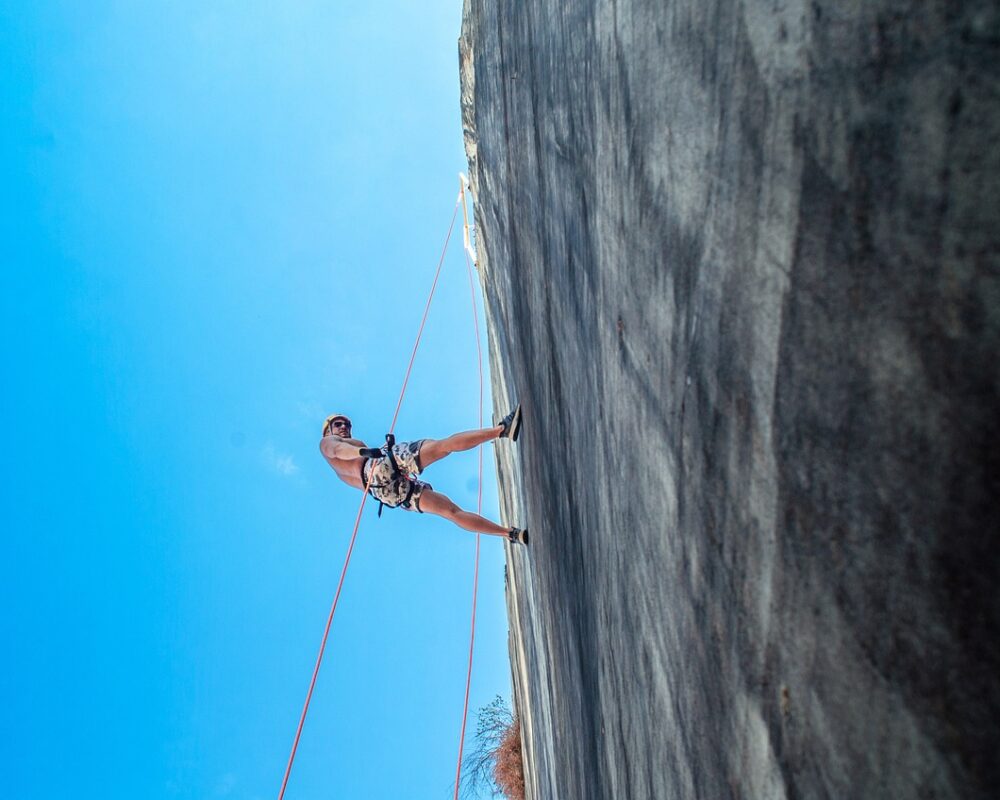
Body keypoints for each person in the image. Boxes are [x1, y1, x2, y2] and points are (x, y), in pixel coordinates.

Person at [319, 406, 529, 545]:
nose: (344, 427)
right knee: (443, 446)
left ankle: (510, 534)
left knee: (452, 512)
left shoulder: (339, 472)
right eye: (338, 424)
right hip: (376, 469)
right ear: (328, 429)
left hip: (386, 494)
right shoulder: (327, 442)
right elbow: (338, 451)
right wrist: (363, 452)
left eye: (347, 424)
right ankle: (502, 429)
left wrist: (379, 450)